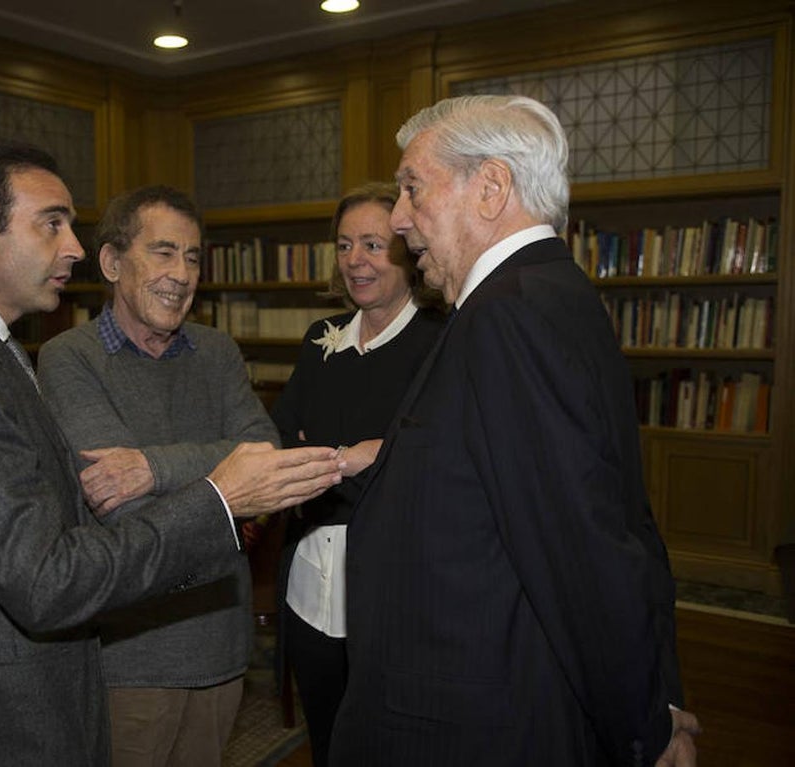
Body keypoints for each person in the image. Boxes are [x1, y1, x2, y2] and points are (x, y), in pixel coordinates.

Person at [0, 139, 344, 767]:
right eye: (52, 223)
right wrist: (221, 495)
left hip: (22, 689)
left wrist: (153, 471)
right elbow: (46, 577)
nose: (75, 248)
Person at [327, 95, 701, 766]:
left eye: (412, 187)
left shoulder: (508, 318)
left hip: (472, 722)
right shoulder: (548, 292)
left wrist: (646, 724)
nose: (399, 217)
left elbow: (580, 544)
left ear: (492, 187)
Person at [36, 185, 279, 767]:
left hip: (221, 641)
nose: (182, 274)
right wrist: (227, 481)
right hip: (129, 654)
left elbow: (266, 454)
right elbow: (116, 502)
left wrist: (152, 466)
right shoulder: (69, 357)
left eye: (193, 257)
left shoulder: (217, 352)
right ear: (113, 263)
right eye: (164, 252)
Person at [268, 182, 448, 767]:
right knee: (327, 744)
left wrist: (327, 460)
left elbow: (427, 467)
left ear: (406, 250)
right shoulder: (319, 342)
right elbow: (283, 442)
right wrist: (354, 458)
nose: (355, 260)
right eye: (344, 245)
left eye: (373, 243)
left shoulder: (441, 342)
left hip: (395, 586)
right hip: (307, 587)